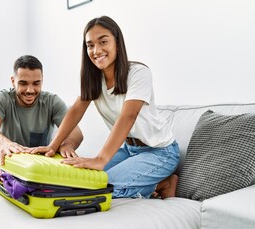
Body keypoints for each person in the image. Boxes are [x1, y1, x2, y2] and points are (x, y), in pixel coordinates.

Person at [29, 16, 180, 199]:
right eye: (90, 45)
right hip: (128, 149)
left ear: (117, 42)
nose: (96, 50)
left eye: (103, 42)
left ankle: (163, 183)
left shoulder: (139, 73)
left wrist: (101, 159)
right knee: (83, 181)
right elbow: (76, 111)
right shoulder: (94, 80)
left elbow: (128, 116)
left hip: (160, 152)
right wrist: (52, 146)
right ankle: (155, 183)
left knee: (102, 188)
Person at [0, 55, 83, 187]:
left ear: (42, 81)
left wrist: (67, 144)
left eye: (36, 83)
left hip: (39, 159)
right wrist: (4, 143)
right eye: (23, 83)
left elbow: (76, 132)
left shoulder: (52, 101)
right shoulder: (1, 98)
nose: (30, 90)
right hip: (5, 157)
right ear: (13, 81)